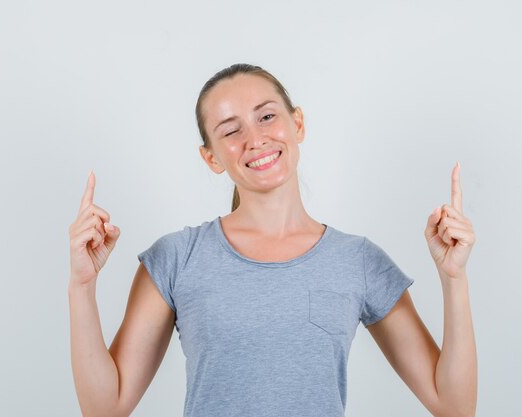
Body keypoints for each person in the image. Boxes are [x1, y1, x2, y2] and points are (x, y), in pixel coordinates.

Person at [68, 63, 477, 417]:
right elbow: (106, 408)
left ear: (297, 123)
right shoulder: (176, 258)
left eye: (266, 117)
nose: (255, 139)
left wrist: (453, 279)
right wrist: (81, 287)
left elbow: (455, 407)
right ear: (211, 158)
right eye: (231, 130)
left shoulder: (359, 261)